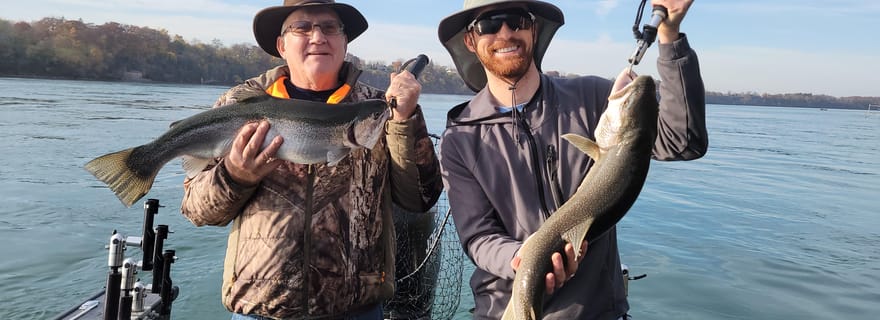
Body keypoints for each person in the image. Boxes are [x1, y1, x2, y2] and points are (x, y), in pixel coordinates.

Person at [437, 0, 708, 319]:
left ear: (534, 30)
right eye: (489, 24)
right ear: (470, 40)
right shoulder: (459, 138)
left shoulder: (594, 97)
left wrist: (669, 32)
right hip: (502, 310)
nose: (506, 32)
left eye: (517, 20)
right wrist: (521, 258)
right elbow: (477, 235)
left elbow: (683, 142)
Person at [179, 1, 443, 319]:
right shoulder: (237, 104)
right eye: (302, 27)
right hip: (260, 310)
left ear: (345, 42)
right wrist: (236, 175)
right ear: (282, 44)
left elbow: (421, 197)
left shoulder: (380, 109)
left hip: (358, 309)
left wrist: (405, 118)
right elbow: (197, 210)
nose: (317, 37)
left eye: (330, 28)